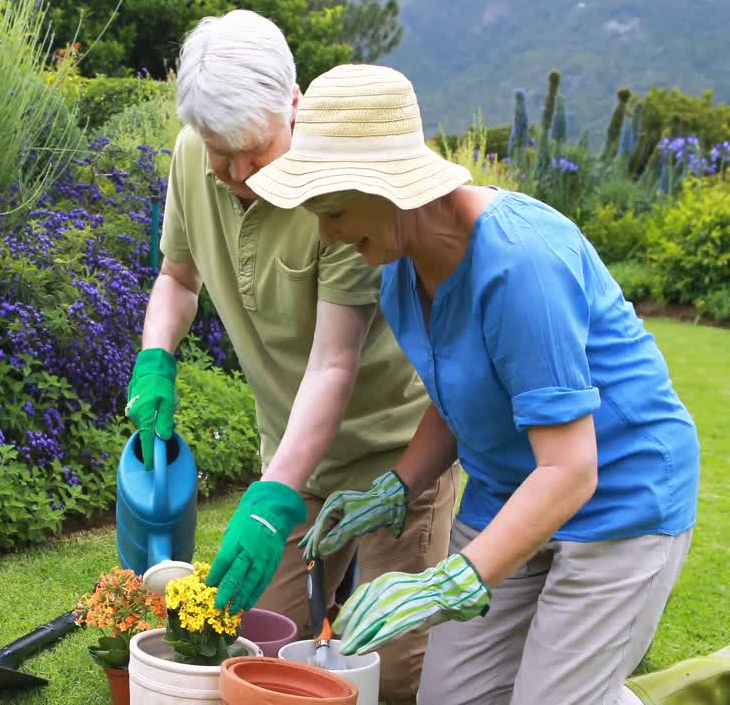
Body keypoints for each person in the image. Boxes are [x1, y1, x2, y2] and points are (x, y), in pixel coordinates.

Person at [246, 63, 701, 704]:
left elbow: (571, 470)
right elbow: (462, 393)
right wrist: (395, 487)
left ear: (390, 187)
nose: (328, 234)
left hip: (619, 504)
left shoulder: (521, 264)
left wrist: (447, 583)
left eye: (336, 211)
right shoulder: (400, 267)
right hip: (507, 493)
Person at [123, 11, 457, 703]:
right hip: (293, 455)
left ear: (294, 106)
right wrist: (156, 357)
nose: (239, 174)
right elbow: (178, 279)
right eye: (222, 154)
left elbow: (334, 363)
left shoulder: (338, 190)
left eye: (255, 151)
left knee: (390, 672)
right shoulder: (194, 155)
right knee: (252, 646)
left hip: (394, 457)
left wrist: (270, 501)